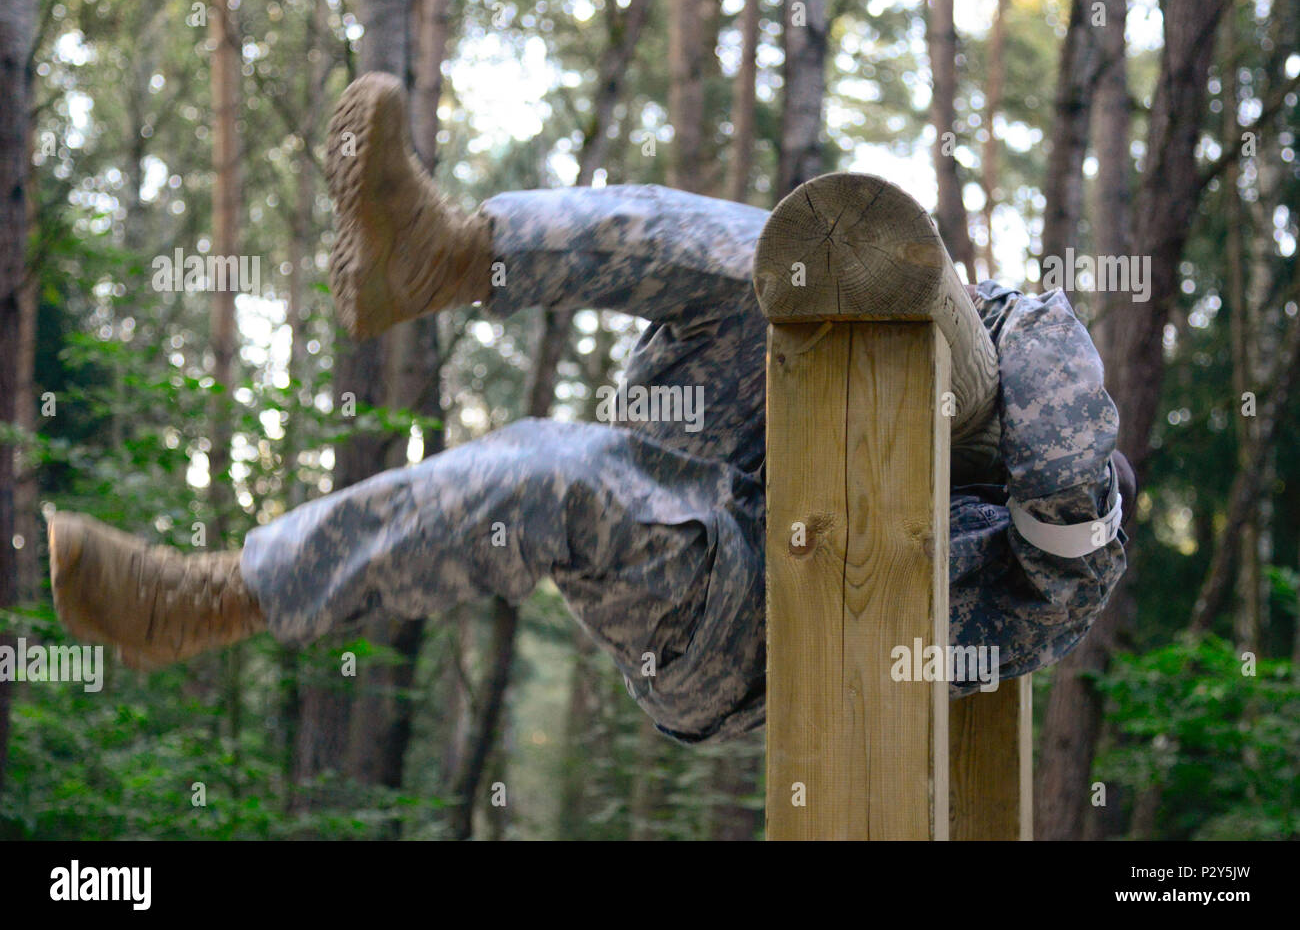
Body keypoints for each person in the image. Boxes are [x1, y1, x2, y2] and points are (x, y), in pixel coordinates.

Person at [48, 73, 1132, 745]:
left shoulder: (1040, 561)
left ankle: (213, 599)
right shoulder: (980, 319)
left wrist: (1034, 457)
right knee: (779, 249)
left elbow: (1034, 566)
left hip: (754, 624)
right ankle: (448, 253)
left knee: (552, 473)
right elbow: (1013, 316)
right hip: (726, 443)